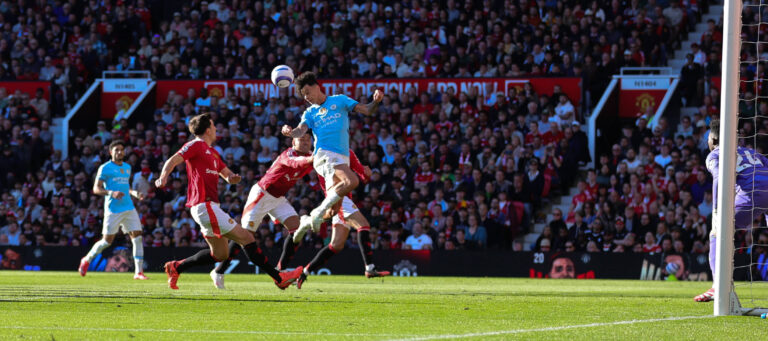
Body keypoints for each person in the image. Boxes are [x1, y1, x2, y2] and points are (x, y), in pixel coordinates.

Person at [155, 112, 303, 290]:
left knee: (220, 254)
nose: (216, 129)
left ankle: (176, 267)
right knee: (247, 238)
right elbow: (172, 160)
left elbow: (226, 174)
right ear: (208, 130)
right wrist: (163, 177)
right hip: (204, 205)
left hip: (209, 207)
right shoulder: (195, 145)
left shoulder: (213, 153)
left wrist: (232, 178)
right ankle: (279, 277)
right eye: (213, 126)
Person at [281, 71, 383, 234]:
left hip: (341, 157)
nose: (306, 97)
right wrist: (290, 132)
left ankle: (307, 221)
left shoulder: (340, 100)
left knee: (333, 211)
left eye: (307, 92)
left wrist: (375, 101)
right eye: (303, 95)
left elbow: (367, 110)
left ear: (316, 86)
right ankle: (318, 211)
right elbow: (301, 130)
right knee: (352, 181)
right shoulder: (310, 113)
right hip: (324, 155)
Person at [209, 134, 315, 289]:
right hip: (262, 195)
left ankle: (281, 270)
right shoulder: (288, 155)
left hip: (278, 198)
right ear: (293, 142)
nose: (305, 142)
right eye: (301, 139)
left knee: (297, 229)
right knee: (245, 235)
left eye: (307, 140)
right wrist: (315, 158)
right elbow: (296, 163)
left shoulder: (312, 156)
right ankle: (219, 271)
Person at [291, 149, 390, 288]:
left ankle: (304, 272)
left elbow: (361, 172)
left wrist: (365, 173)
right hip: (339, 199)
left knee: (336, 245)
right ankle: (370, 267)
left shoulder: (345, 152)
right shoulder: (326, 154)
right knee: (363, 226)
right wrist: (364, 173)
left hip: (342, 199)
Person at [695, 120, 768, 302]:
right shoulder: (752, 152)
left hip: (752, 192)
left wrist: (717, 210)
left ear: (713, 139)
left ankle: (717, 286)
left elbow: (719, 178)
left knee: (717, 232)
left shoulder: (715, 154)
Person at [79, 140, 148, 280]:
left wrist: (134, 193)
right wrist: (111, 193)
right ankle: (86, 259)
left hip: (128, 207)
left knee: (137, 237)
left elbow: (126, 187)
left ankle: (138, 272)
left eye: (122, 149)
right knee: (107, 241)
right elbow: (96, 189)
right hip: (113, 209)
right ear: (111, 152)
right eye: (117, 150)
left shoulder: (127, 167)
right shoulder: (105, 168)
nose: (120, 152)